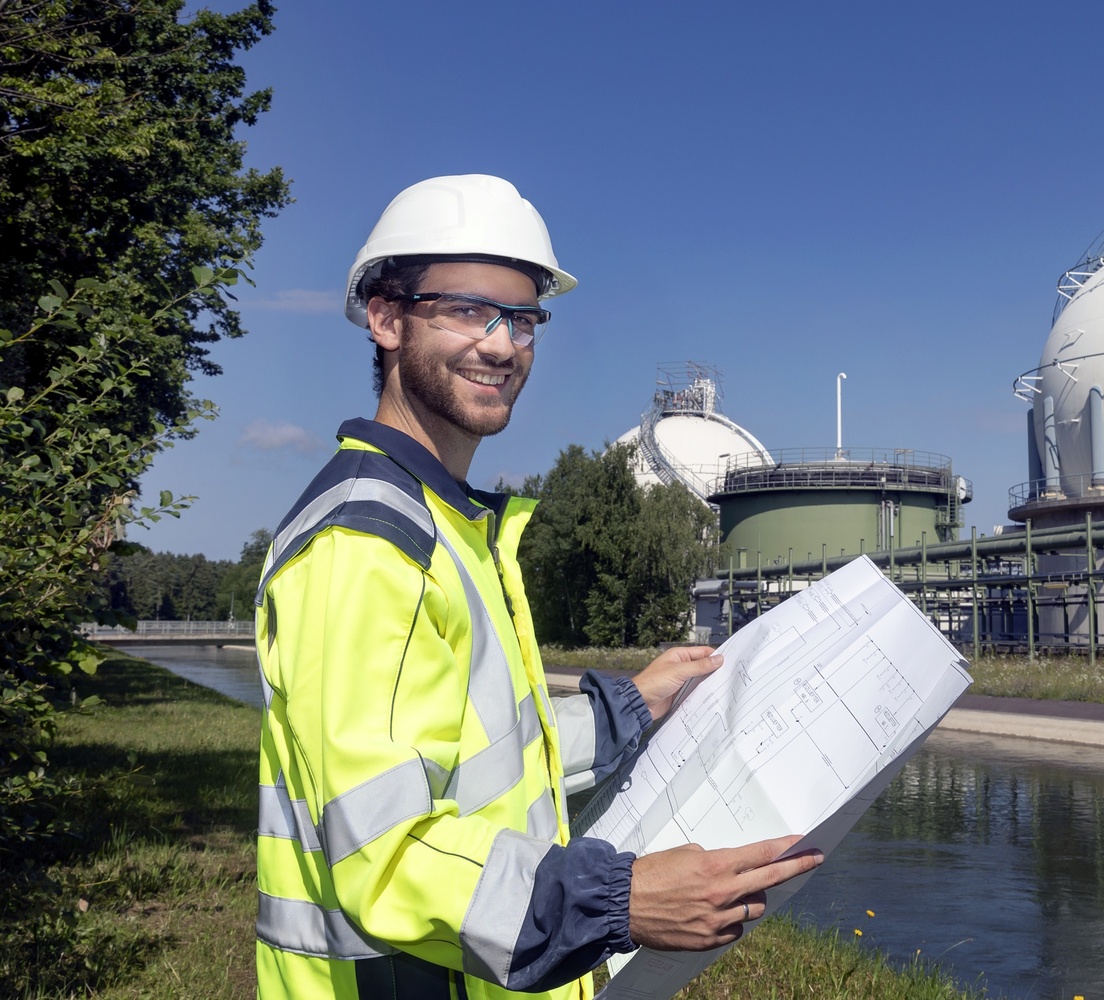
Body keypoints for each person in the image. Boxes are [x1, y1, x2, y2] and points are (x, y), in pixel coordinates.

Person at [253, 175, 822, 999]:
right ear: (385, 317)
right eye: (463, 309)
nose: (501, 344)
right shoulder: (367, 544)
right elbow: (384, 854)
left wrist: (628, 707)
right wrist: (619, 899)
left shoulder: (451, 527)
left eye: (521, 320)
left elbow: (482, 757)